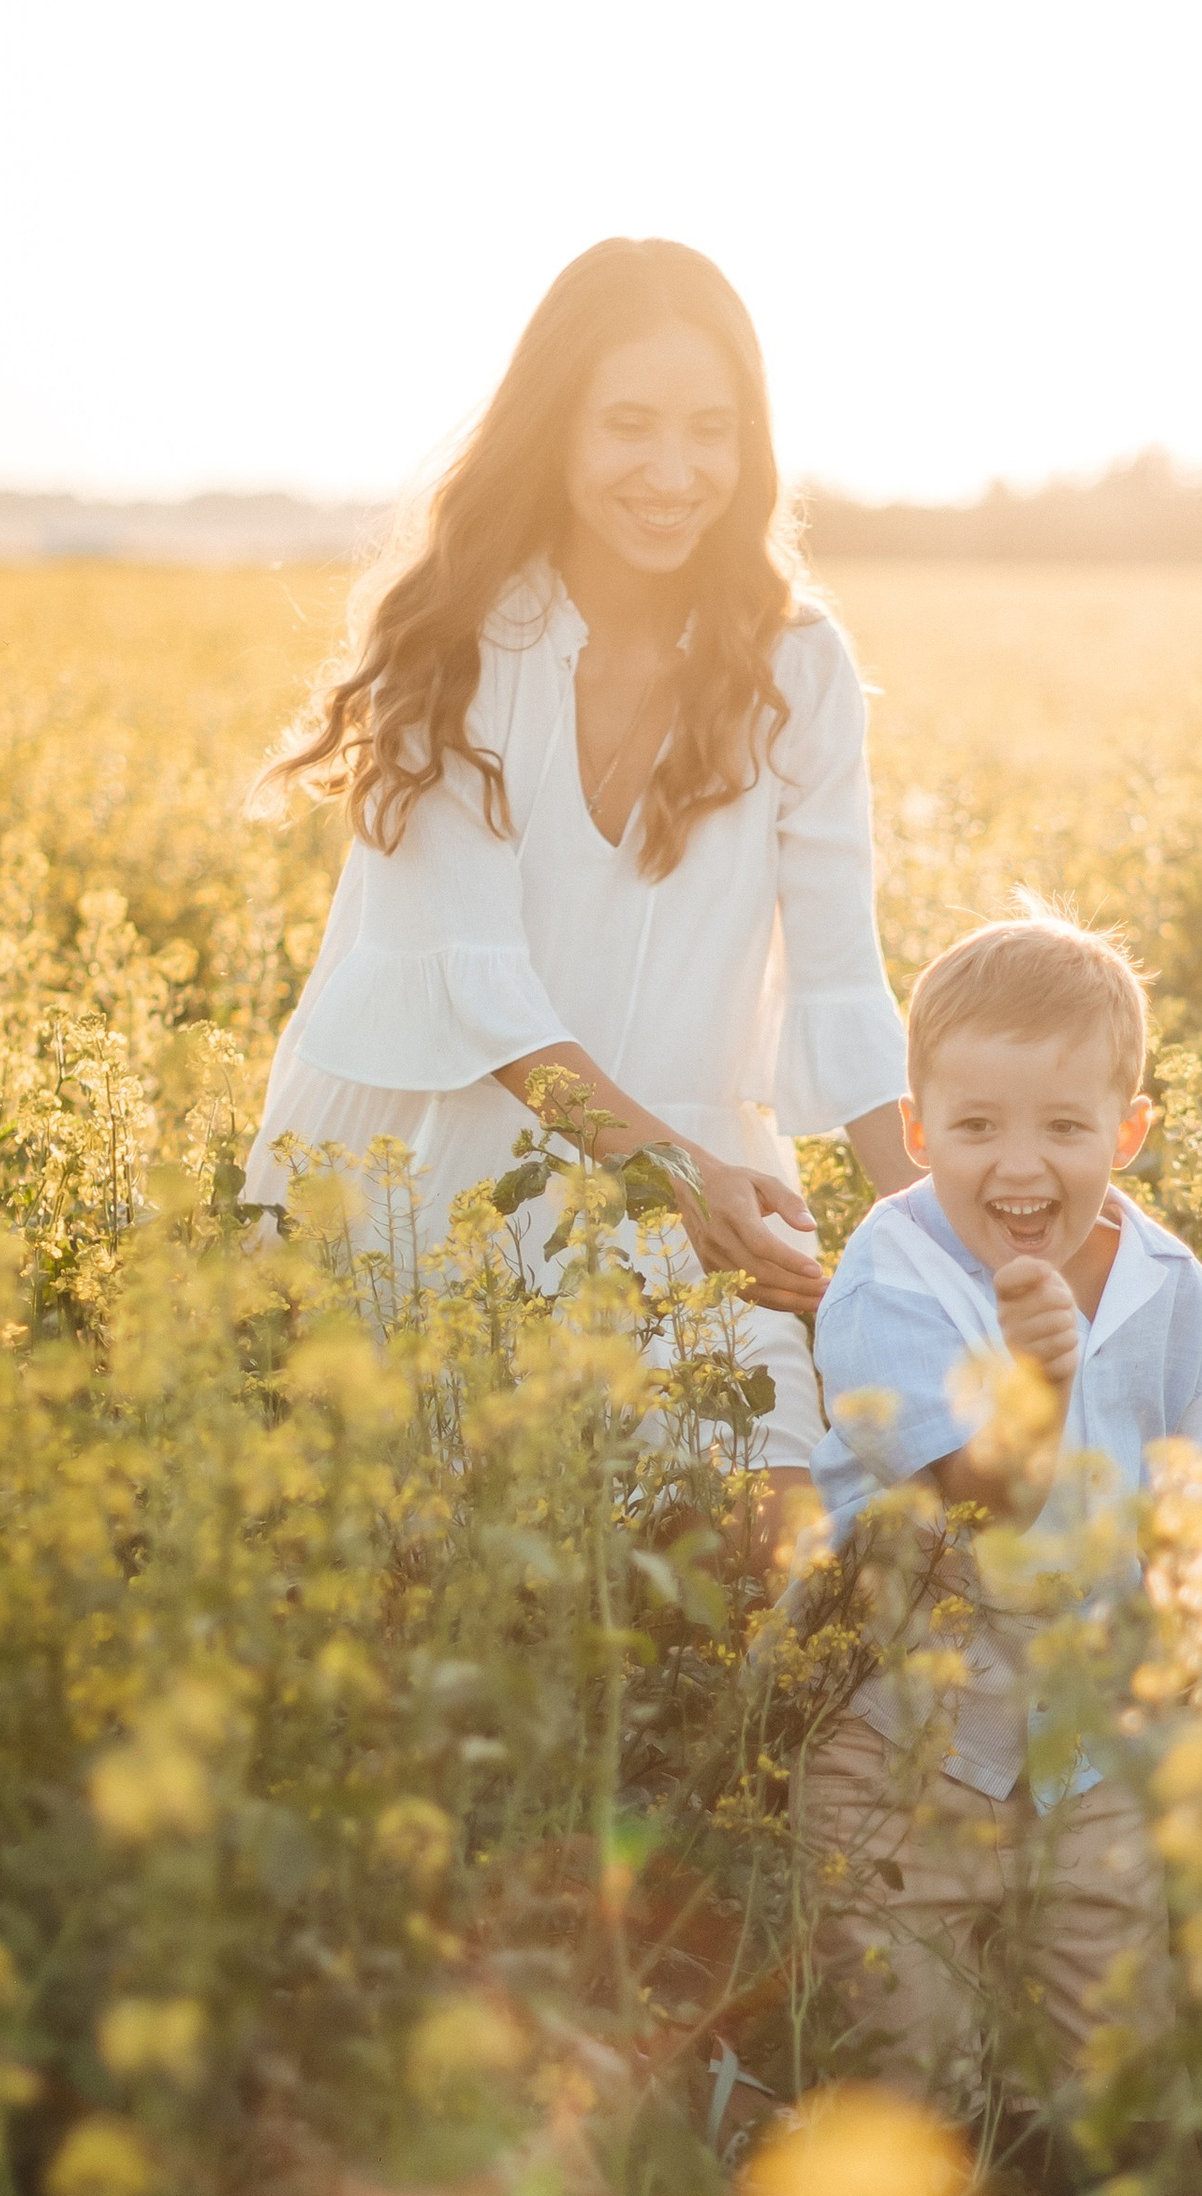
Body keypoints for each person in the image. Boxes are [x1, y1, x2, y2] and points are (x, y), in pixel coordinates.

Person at [245, 240, 916, 1506]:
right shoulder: (449, 644)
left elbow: (840, 981)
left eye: (711, 430)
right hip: (426, 1166)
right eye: (629, 425)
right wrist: (678, 1177)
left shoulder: (800, 663)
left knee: (765, 1535)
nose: (674, 473)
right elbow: (476, 991)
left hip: (694, 1168)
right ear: (554, 427)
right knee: (461, 1568)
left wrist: (946, 1228)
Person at [795, 907, 1202, 2106]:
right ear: (914, 1130)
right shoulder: (888, 1276)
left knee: (1116, 2082)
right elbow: (970, 1505)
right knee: (915, 2079)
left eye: (1062, 1125)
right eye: (975, 1126)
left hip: (1089, 1760)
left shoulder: (1164, 1279)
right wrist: (1035, 1389)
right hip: (904, 1754)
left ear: (1127, 1130)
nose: (1017, 1165)